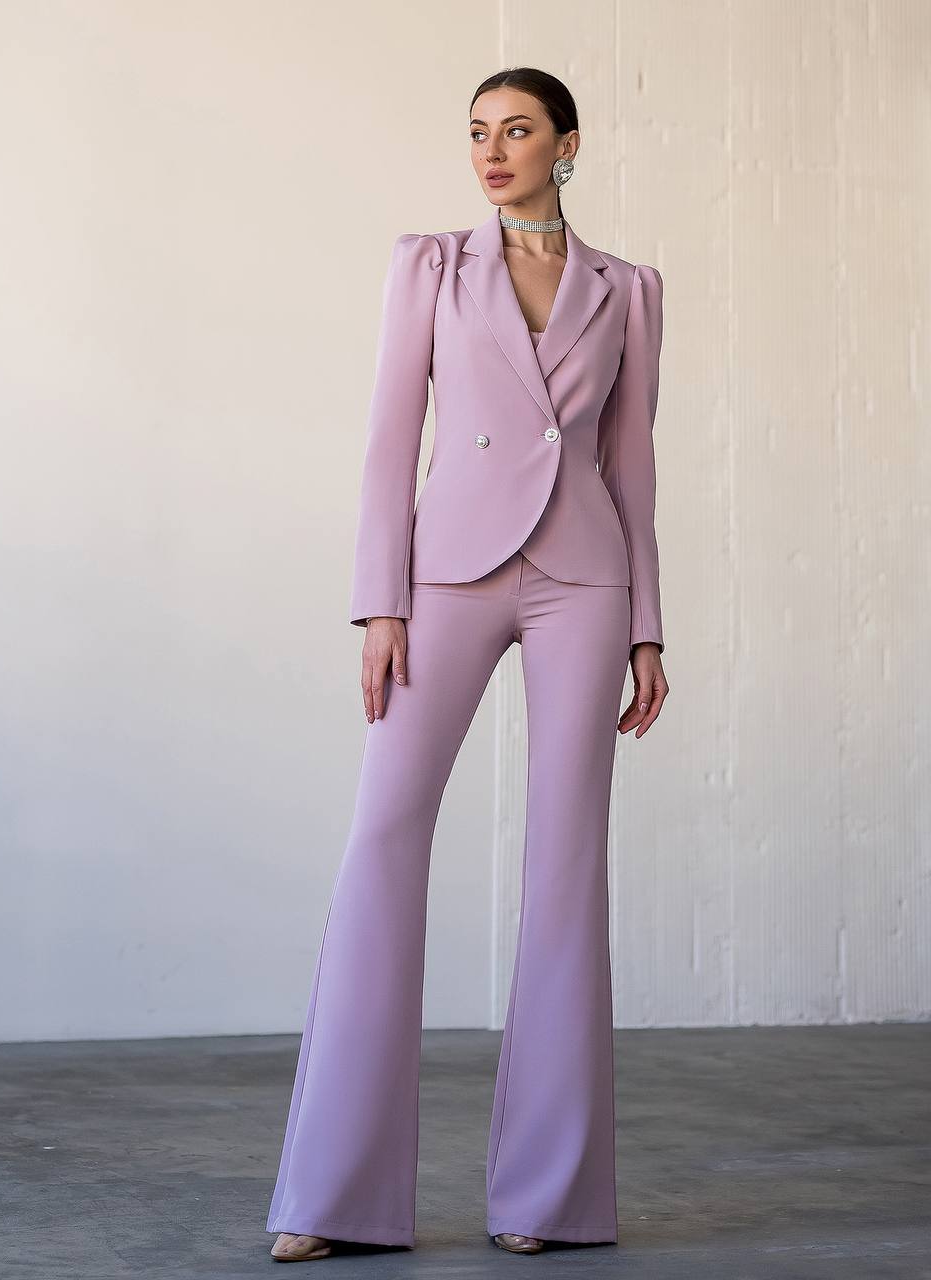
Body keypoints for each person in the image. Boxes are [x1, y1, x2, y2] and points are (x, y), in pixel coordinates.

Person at [267, 65, 669, 1262]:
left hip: (583, 580)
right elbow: (390, 443)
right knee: (383, 833)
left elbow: (633, 465)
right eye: (479, 134)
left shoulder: (629, 290)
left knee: (563, 866)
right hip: (444, 575)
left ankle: (546, 1198)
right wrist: (376, 603)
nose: (492, 152)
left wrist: (650, 622)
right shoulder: (430, 267)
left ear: (568, 145)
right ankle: (329, 1198)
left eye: (517, 131)